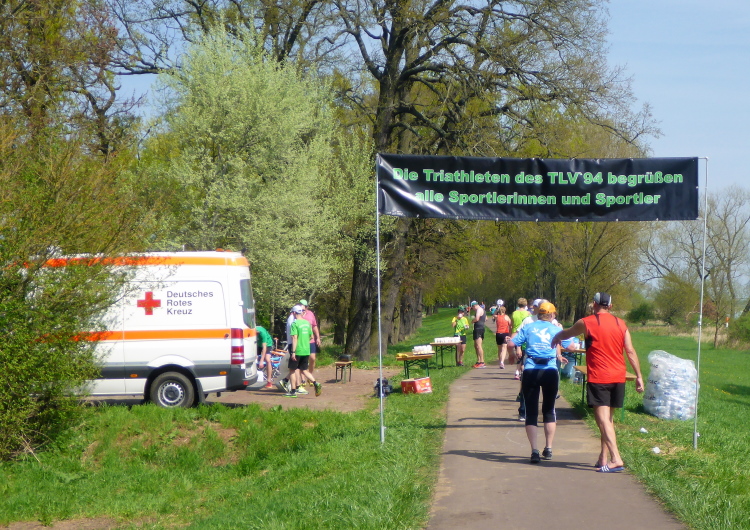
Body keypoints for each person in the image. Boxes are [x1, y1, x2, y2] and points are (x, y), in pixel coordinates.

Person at [551, 292, 645, 473]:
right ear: (610, 306)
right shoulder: (621, 323)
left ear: (593, 304)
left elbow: (568, 333)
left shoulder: (586, 322)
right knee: (608, 420)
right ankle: (603, 457)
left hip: (600, 376)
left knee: (602, 420)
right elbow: (630, 351)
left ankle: (616, 459)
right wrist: (639, 376)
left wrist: (557, 337)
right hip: (618, 376)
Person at [507, 302, 567, 463]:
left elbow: (512, 343)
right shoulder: (556, 329)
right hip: (550, 371)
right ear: (552, 315)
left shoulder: (529, 327)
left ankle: (534, 451)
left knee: (531, 412)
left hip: (531, 370)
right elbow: (571, 345)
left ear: (538, 313)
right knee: (549, 410)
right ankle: (548, 448)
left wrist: (512, 352)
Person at [285, 305, 322, 398]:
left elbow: (294, 338)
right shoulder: (307, 323)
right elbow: (311, 336)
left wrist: (293, 352)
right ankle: (316, 383)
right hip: (306, 350)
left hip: (298, 350)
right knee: (304, 370)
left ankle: (293, 392)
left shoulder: (295, 324)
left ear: (294, 313)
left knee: (292, 370)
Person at [299, 299, 322, 380]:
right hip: (301, 341)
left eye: (305, 307)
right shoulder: (296, 314)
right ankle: (303, 379)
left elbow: (314, 326)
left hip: (310, 340)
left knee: (312, 358)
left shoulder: (311, 314)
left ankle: (310, 375)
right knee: (302, 360)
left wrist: (318, 337)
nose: (304, 309)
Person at [511, 299, 531, 380]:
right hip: (525, 335)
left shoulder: (514, 313)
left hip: (516, 334)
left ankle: (517, 371)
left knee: (518, 354)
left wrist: (511, 334)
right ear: (526, 304)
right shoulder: (528, 313)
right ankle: (522, 371)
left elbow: (512, 325)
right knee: (524, 354)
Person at [255, 324, 274, 389]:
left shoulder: (262, 333)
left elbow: (264, 348)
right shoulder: (251, 332)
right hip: (258, 345)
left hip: (267, 345)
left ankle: (269, 381)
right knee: (254, 357)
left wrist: (261, 361)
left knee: (267, 359)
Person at [470, 300, 486, 368]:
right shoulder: (481, 310)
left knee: (479, 345)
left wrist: (472, 321)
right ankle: (478, 361)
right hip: (479, 327)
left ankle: (482, 361)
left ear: (475, 306)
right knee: (476, 345)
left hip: (478, 328)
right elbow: (486, 318)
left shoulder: (479, 310)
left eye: (473, 307)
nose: (473, 309)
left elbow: (477, 318)